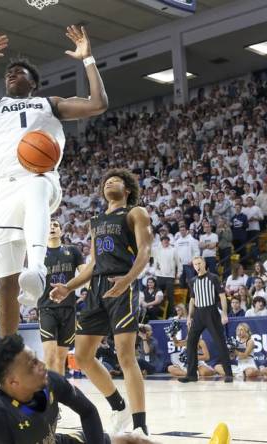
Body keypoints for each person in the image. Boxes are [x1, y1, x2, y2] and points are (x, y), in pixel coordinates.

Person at [0, 25, 108, 337]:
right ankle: (8, 349)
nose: (11, 76)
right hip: (3, 189)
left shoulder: (51, 104)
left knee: (35, 189)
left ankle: (38, 268)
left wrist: (88, 60)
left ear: (33, 82)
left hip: (40, 177)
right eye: (9, 73)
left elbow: (98, 104)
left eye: (19, 73)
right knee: (6, 281)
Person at [50, 168, 152, 436]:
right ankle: (118, 405)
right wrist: (68, 287)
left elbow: (145, 252)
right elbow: (92, 265)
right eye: (106, 181)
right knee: (82, 356)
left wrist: (127, 280)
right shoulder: (95, 221)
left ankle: (141, 426)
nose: (110, 183)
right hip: (96, 290)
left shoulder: (135, 213)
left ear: (127, 189)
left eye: (116, 180)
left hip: (122, 285)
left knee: (126, 355)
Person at [0, 334, 113, 444]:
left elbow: (88, 411)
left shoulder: (51, 381)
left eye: (36, 358)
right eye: (33, 365)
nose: (42, 365)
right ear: (13, 382)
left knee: (131, 440)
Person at [178, 256, 234, 383]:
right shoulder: (192, 281)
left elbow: (222, 296)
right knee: (191, 342)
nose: (197, 266)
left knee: (220, 343)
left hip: (211, 312)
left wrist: (224, 314)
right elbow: (192, 299)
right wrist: (189, 316)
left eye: (199, 263)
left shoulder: (213, 277)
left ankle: (228, 374)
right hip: (198, 314)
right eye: (195, 264)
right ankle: (191, 374)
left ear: (203, 264)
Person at [38, 220, 83, 375]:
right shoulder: (38, 254)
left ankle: (58, 392)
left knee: (60, 358)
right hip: (46, 307)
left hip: (68, 308)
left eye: (56, 225)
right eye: (49, 224)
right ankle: (49, 396)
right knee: (49, 356)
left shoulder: (73, 251)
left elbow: (85, 275)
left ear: (61, 232)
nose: (52, 227)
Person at [152, 235, 179, 317]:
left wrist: (179, 274)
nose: (165, 242)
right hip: (160, 276)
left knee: (171, 296)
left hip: (170, 277)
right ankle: (156, 314)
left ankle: (172, 314)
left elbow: (178, 263)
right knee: (158, 295)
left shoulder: (173, 250)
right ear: (161, 242)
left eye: (167, 240)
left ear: (169, 241)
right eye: (164, 240)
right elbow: (155, 262)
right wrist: (156, 272)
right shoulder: (157, 250)